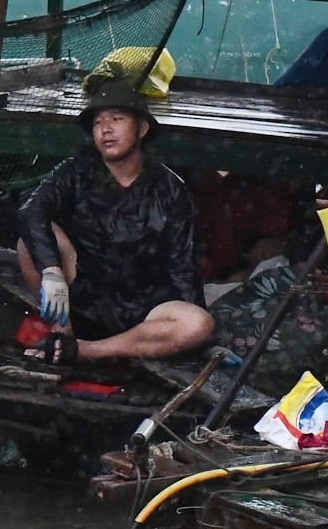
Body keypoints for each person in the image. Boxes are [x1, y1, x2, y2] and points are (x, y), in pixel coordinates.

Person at [12, 81, 215, 363]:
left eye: (117, 119)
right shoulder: (75, 172)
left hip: (144, 309)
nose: (106, 129)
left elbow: (184, 268)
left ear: (141, 129)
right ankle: (63, 335)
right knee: (30, 241)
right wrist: (53, 272)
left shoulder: (171, 189)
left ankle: (83, 351)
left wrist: (199, 344)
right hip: (82, 297)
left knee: (198, 323)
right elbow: (31, 210)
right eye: (98, 122)